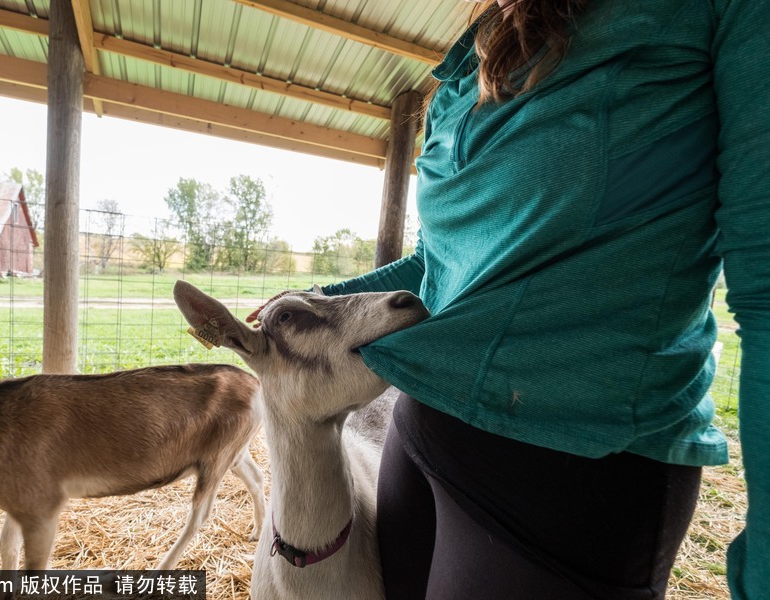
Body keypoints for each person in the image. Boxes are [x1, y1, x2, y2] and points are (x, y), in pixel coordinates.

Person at [257, 0, 768, 597]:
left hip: (571, 468)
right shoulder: (469, 58)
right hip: (422, 427)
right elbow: (435, 262)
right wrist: (312, 299)